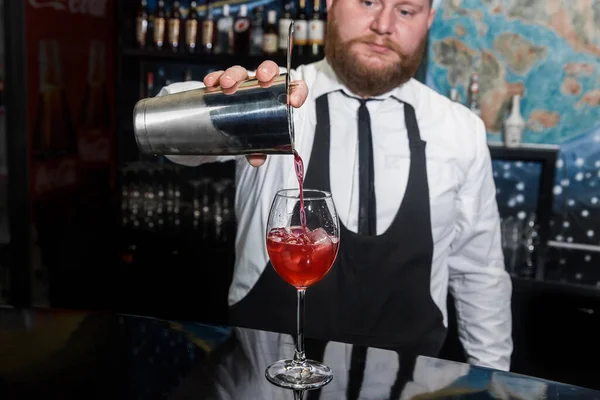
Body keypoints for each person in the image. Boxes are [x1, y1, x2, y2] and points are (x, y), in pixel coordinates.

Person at [161, 0, 512, 372]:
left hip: (412, 385)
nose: (383, 25)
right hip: (267, 378)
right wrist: (219, 100)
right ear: (330, 5)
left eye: (406, 10)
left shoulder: (459, 129)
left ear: (429, 21)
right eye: (368, 2)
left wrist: (498, 381)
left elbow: (480, 272)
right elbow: (167, 135)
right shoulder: (275, 98)